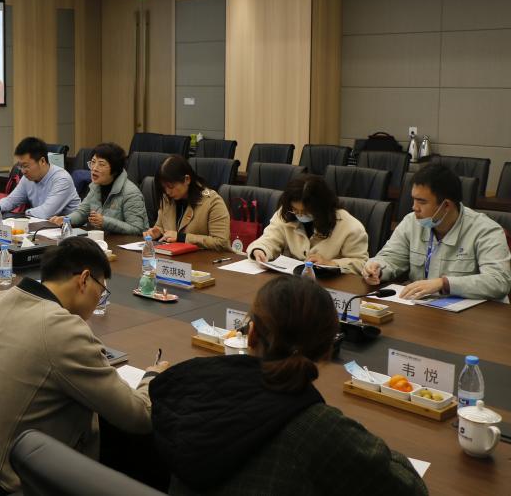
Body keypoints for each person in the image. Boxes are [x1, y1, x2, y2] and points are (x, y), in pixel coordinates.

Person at [149, 276, 427, 495]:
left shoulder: (191, 384)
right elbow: (410, 489)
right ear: (327, 349)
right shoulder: (319, 428)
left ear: (251, 335)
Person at [0, 237, 169, 494]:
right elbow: (138, 416)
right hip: (21, 484)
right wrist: (153, 377)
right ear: (84, 279)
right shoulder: (63, 330)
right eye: (101, 291)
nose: (99, 300)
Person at [361, 163, 511, 300]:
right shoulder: (411, 222)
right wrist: (378, 268)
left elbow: (498, 281)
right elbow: (392, 257)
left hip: (473, 315)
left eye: (422, 201)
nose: (414, 207)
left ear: (446, 205)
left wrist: (444, 283)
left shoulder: (486, 231)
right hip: (424, 308)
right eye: (414, 199)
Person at [248, 175, 369, 273]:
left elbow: (361, 263)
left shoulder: (350, 227)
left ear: (321, 207)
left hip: (330, 285)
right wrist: (260, 250)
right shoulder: (286, 213)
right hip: (291, 279)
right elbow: (270, 239)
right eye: (295, 210)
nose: (300, 215)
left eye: (306, 211)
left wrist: (331, 263)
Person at [49, 142, 147, 235]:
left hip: (125, 244)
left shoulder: (131, 193)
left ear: (115, 170)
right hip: (103, 240)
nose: (94, 168)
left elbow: (137, 229)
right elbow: (82, 213)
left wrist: (105, 222)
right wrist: (66, 219)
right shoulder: (95, 186)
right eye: (93, 162)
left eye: (101, 164)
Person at [144, 155, 230, 250]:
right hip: (172, 256)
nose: (167, 192)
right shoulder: (167, 199)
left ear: (187, 179)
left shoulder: (212, 202)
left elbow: (221, 242)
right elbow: (161, 226)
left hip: (205, 258)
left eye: (171, 187)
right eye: (164, 188)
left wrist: (182, 238)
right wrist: (157, 232)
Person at [0, 136, 80, 218]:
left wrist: (23, 214)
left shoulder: (62, 179)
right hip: (43, 226)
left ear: (42, 161)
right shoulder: (27, 178)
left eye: (26, 166)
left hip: (69, 229)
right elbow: (12, 200)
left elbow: (46, 212)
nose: (23, 171)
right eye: (20, 166)